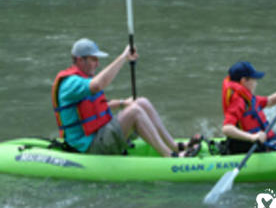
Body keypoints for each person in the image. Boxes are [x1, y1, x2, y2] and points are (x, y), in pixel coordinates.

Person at [51, 38, 201, 157]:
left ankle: (174, 145)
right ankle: (170, 156)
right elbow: (98, 85)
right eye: (93, 59)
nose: (97, 64)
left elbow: (98, 107)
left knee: (141, 102)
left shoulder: (82, 80)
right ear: (79, 60)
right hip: (89, 147)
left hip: (100, 135)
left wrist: (123, 103)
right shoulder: (70, 83)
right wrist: (123, 57)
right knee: (135, 112)